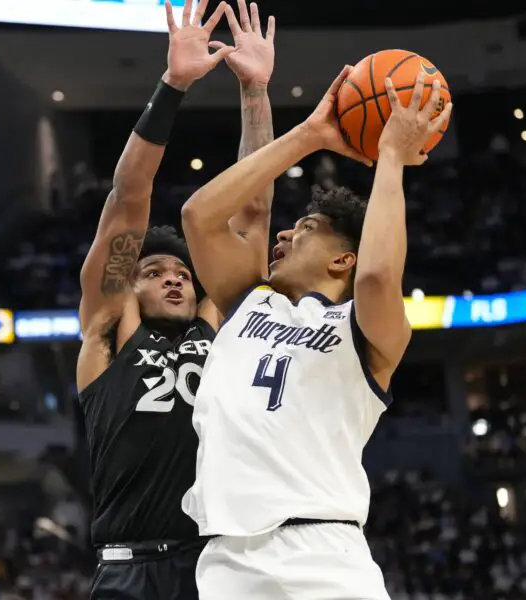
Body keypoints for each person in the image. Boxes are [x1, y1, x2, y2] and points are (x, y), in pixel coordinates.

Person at [180, 67, 452, 599]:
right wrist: (310, 134)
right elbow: (199, 216)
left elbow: (377, 274)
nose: (284, 232)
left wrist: (391, 156)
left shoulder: (365, 331)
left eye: (305, 229)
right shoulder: (248, 303)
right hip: (225, 562)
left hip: (322, 557)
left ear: (342, 259)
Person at [75, 1, 276, 598]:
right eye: (155, 271)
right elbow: (127, 198)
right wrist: (173, 85)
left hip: (214, 568)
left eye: (182, 273)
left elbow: (255, 211)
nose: (174, 279)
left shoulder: (218, 328)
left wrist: (255, 93)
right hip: (128, 569)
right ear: (127, 285)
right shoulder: (111, 333)